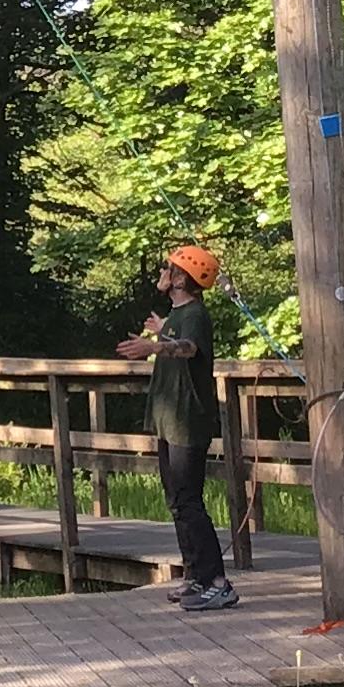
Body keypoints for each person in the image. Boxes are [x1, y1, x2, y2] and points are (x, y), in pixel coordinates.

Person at [120, 245, 237, 611]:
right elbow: (177, 338)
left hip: (188, 422)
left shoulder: (196, 314)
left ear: (182, 278)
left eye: (167, 268)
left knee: (189, 501)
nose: (162, 272)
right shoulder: (178, 314)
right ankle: (195, 576)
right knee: (176, 501)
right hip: (169, 421)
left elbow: (189, 348)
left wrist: (153, 347)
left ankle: (217, 582)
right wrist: (161, 332)